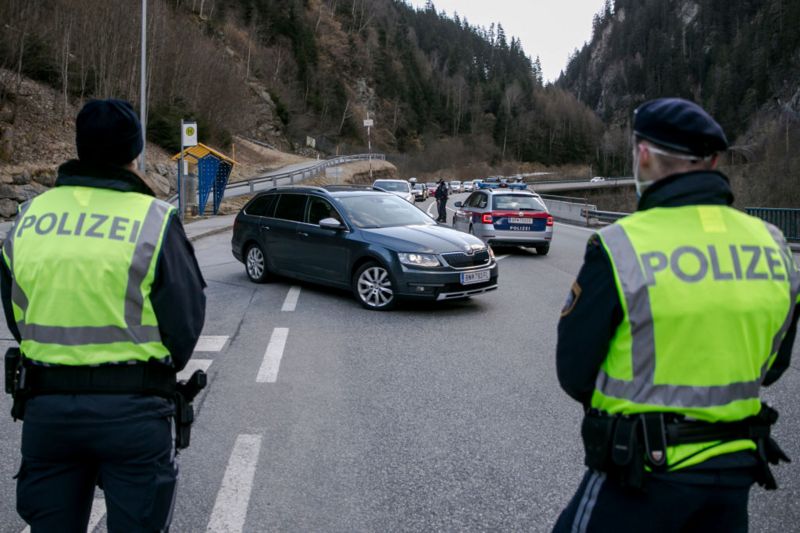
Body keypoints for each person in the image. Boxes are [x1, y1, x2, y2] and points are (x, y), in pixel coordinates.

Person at [553, 98, 798, 533]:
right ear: (715, 161)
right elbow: (773, 366)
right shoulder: (773, 244)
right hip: (733, 473)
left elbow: (574, 371)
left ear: (643, 154)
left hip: (641, 473)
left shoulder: (620, 245)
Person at [1, 99, 207, 531]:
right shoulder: (153, 219)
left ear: (79, 148)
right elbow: (184, 326)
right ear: (134, 155)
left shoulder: (30, 216)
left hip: (48, 411)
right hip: (134, 415)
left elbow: (17, 313)